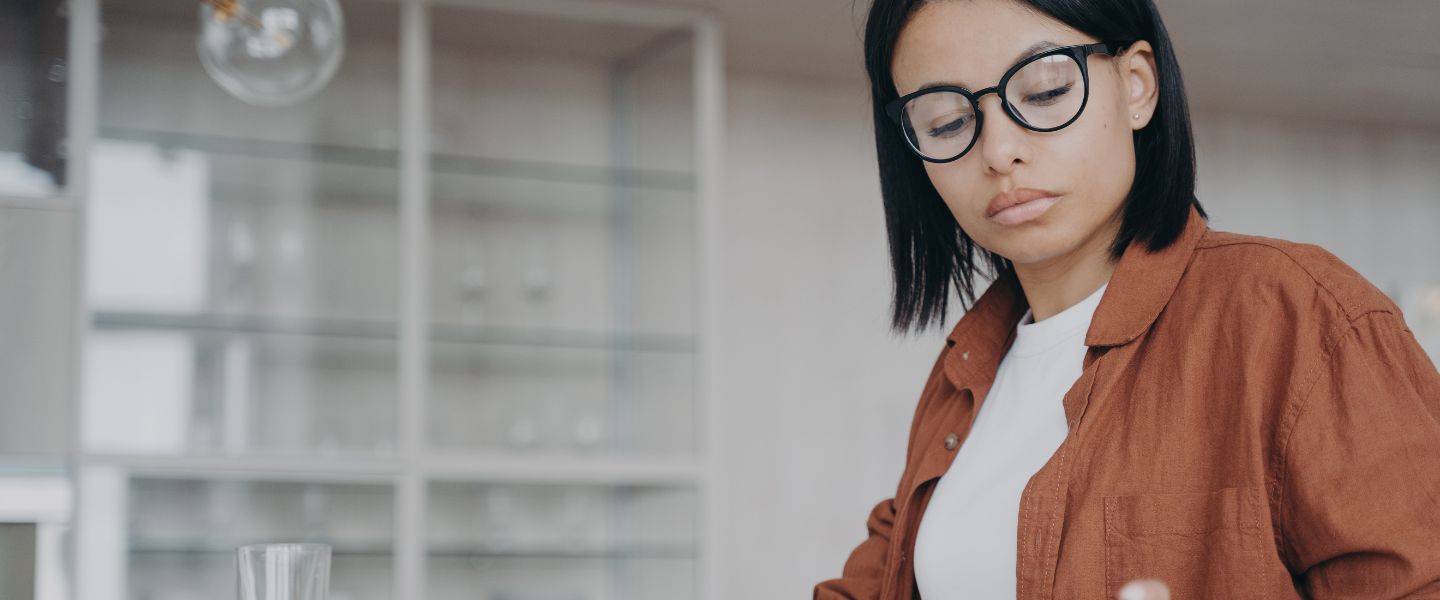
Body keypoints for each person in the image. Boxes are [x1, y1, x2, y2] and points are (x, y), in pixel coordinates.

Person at [812, 0, 1440, 598]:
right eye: (946, 122)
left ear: (1137, 84)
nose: (999, 151)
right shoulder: (963, 376)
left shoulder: (1296, 317)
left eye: (1046, 91)